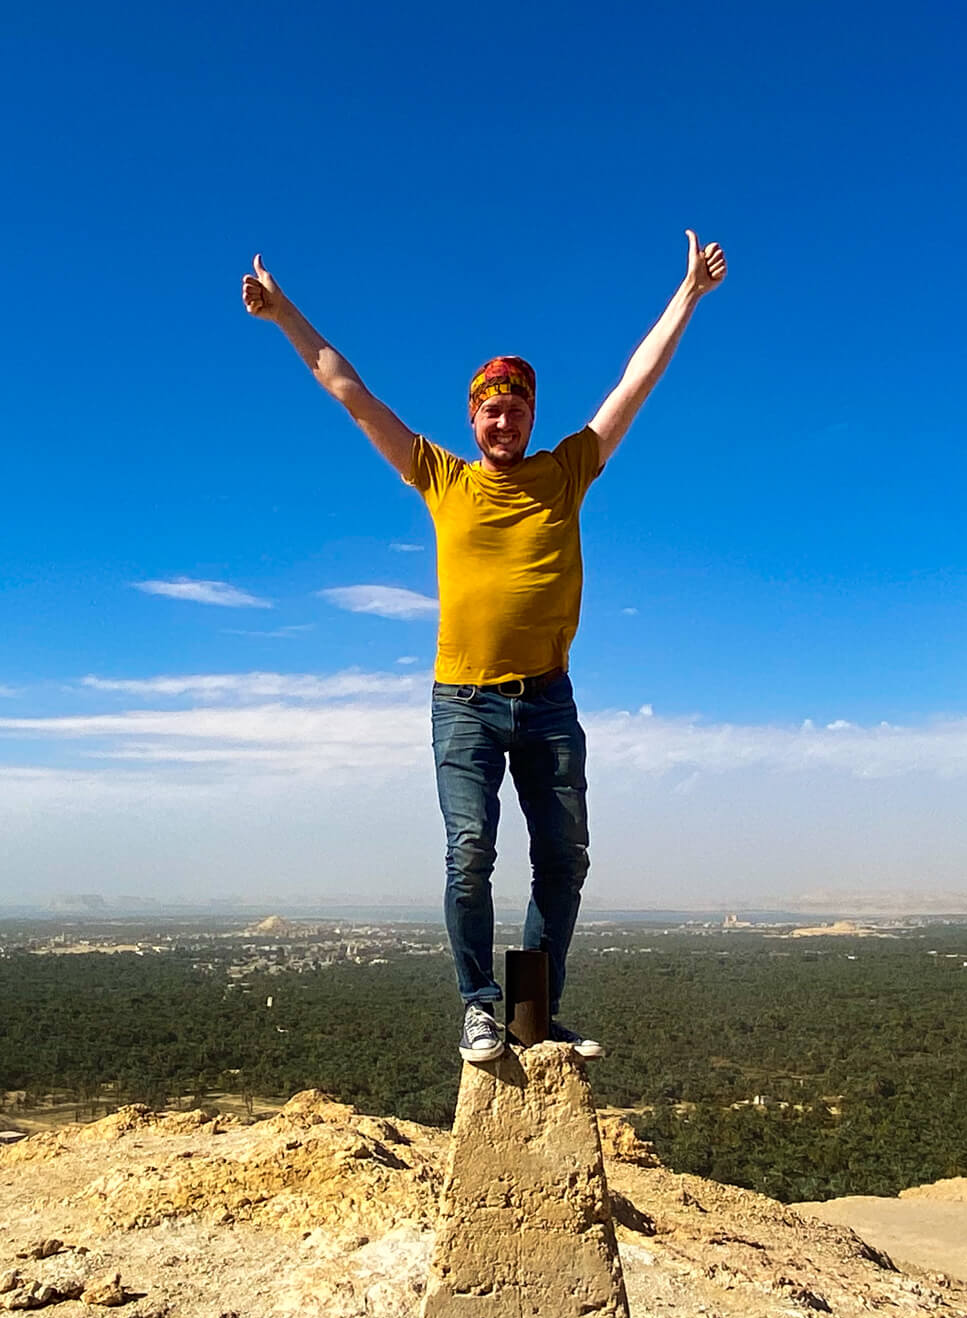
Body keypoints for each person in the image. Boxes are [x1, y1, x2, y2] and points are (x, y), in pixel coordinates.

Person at [243, 232, 727, 1064]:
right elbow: (349, 391)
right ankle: (478, 1007)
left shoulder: (568, 470)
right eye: (490, 408)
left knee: (564, 860)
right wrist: (284, 311)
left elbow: (634, 382)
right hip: (462, 700)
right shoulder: (441, 476)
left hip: (548, 699)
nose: (503, 419)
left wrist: (686, 296)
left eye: (517, 407)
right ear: (473, 418)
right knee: (470, 852)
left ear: (532, 415)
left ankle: (531, 1016)